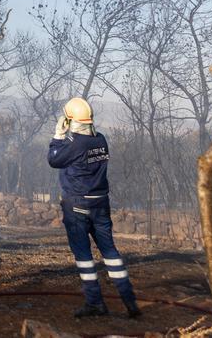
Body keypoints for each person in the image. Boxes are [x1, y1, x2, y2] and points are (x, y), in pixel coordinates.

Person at [48, 97, 142, 319]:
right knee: (110, 252)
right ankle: (129, 300)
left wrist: (58, 136)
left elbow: (53, 160)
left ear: (70, 120)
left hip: (78, 204)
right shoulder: (101, 139)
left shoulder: (74, 143)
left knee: (83, 255)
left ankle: (95, 302)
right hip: (101, 203)